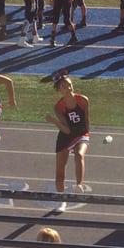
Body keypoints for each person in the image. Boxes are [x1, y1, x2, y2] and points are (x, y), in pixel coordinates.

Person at [45, 70, 90, 212]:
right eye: (64, 87)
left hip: (81, 134)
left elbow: (87, 119)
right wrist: (54, 121)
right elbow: (66, 130)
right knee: (59, 172)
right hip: (66, 135)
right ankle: (61, 200)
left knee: (79, 155)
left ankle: (79, 184)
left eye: (69, 85)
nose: (68, 88)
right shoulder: (58, 107)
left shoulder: (83, 100)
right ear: (59, 90)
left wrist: (87, 134)